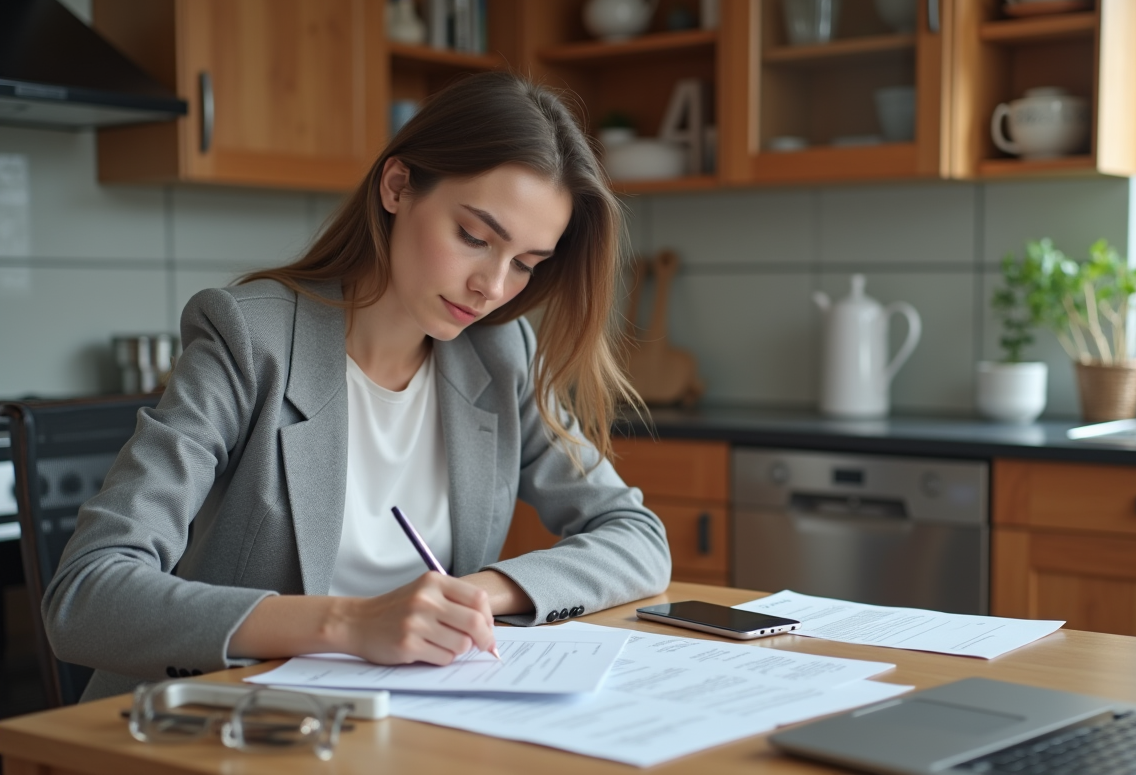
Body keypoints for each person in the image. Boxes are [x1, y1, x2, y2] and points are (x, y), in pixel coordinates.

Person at [42, 71, 672, 701]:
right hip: (213, 725)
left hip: (395, 724)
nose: (495, 287)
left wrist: (469, 597)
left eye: (526, 265)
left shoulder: (500, 355)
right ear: (398, 187)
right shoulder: (248, 338)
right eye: (475, 238)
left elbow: (636, 539)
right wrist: (352, 623)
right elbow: (86, 594)